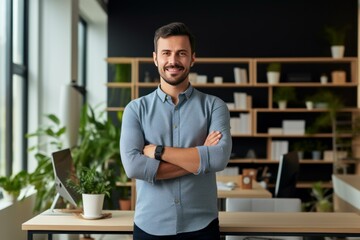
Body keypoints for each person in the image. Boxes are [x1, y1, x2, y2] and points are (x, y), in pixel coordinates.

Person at [120, 21, 232, 240]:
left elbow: (218, 159)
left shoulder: (214, 106)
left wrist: (158, 152)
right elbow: (134, 167)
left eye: (181, 53)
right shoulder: (135, 109)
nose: (173, 61)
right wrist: (200, 157)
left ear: (192, 58)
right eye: (166, 53)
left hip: (202, 226)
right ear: (155, 58)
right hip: (150, 226)